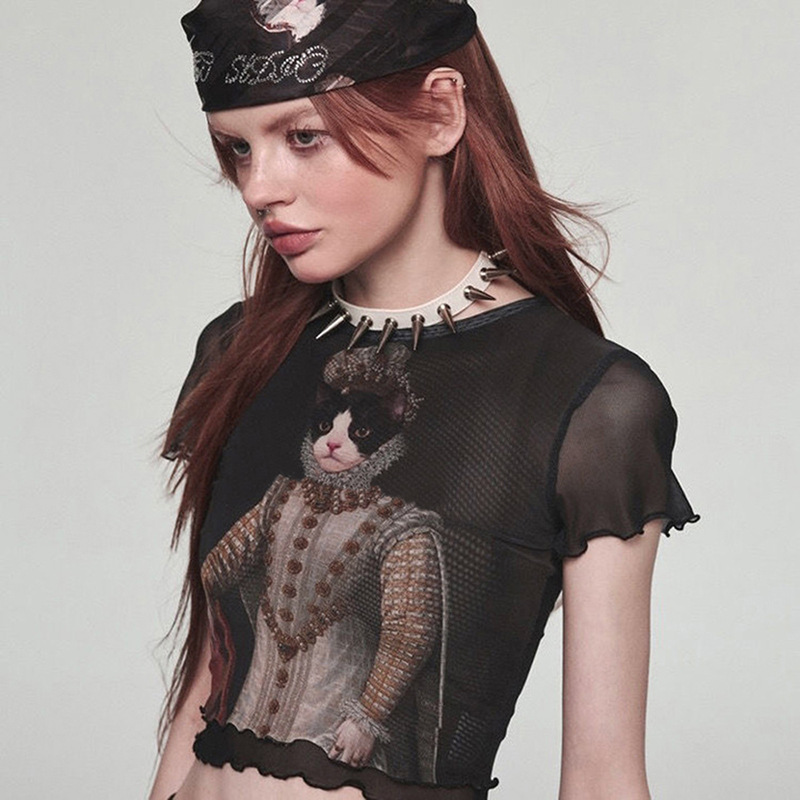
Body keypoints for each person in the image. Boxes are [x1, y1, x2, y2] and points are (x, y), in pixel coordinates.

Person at [150, 2, 699, 799]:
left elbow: (603, 777)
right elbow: (207, 682)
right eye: (238, 147)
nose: (258, 188)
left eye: (304, 137)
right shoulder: (240, 351)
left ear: (440, 113)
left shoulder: (587, 403)